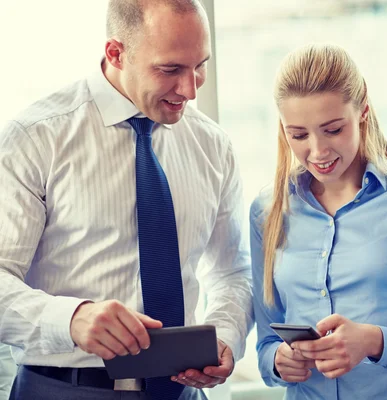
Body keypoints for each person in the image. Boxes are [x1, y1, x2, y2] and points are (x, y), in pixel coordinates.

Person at [0, 1, 253, 399]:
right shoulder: (35, 139)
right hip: (62, 389)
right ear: (116, 53)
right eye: (170, 69)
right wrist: (72, 319)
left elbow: (233, 272)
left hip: (183, 393)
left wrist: (225, 337)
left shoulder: (213, 145)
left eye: (200, 65)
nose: (190, 88)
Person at [250, 43, 387, 399]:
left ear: (363, 110)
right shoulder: (268, 209)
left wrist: (373, 342)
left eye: (333, 129)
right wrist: (278, 360)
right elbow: (266, 341)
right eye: (299, 135)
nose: (318, 152)